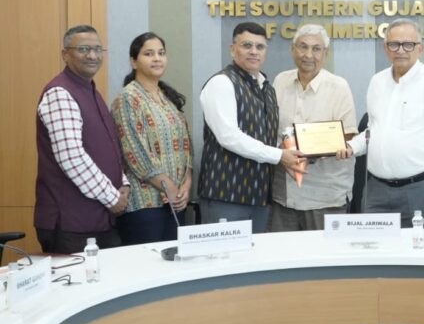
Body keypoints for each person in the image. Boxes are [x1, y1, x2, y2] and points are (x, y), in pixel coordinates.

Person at [337, 19, 424, 227]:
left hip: (419, 189)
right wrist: (351, 147)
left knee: (419, 247)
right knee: (373, 246)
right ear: (385, 48)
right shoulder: (377, 82)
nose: (401, 50)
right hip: (376, 190)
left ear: (420, 48)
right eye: (394, 44)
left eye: (408, 44)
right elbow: (373, 130)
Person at [198, 22, 304, 233]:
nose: (254, 51)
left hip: (259, 196)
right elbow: (229, 137)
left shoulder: (267, 88)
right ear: (232, 49)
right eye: (247, 45)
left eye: (260, 46)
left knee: (255, 254)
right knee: (225, 254)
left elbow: (267, 136)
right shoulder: (222, 83)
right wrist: (279, 156)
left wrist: (291, 154)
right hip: (226, 195)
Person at [34, 25, 129, 254]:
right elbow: (72, 157)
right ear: (65, 54)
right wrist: (112, 197)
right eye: (83, 49)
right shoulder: (60, 93)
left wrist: (123, 184)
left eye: (98, 49)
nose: (93, 55)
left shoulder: (92, 91)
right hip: (70, 223)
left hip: (98, 219)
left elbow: (109, 148)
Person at [269, 24, 358, 231]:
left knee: (324, 252)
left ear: (325, 53)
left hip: (325, 196)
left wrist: (315, 149)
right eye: (303, 47)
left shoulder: (338, 87)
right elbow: (272, 128)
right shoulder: (280, 81)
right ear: (293, 50)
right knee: (282, 251)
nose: (308, 55)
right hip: (284, 194)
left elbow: (348, 136)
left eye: (316, 49)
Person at [111, 32, 192, 245]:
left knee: (176, 263)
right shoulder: (127, 98)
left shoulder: (168, 98)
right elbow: (135, 153)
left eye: (161, 53)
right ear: (133, 61)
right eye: (148, 54)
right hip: (144, 205)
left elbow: (186, 148)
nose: (157, 58)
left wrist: (186, 185)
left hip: (176, 202)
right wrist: (170, 189)